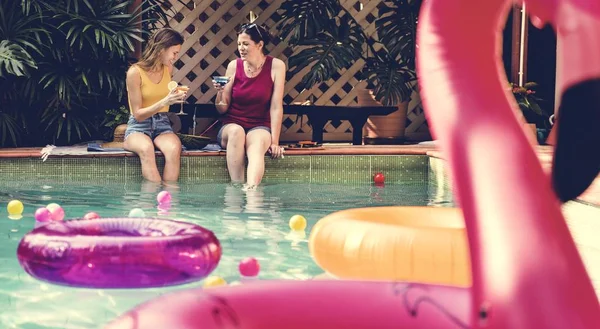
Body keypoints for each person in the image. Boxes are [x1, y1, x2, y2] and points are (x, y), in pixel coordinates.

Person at [213, 23, 286, 189]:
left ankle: (252, 192)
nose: (241, 48)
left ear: (260, 45)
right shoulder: (234, 66)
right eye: (239, 44)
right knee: (237, 132)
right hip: (231, 125)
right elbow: (222, 108)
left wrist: (275, 141)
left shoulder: (276, 66)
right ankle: (236, 188)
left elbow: (276, 106)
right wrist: (220, 92)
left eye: (246, 44)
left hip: (260, 125)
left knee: (258, 142)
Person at [124, 28, 187, 183]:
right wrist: (165, 101)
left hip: (163, 124)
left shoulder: (168, 69)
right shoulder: (135, 72)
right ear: (161, 49)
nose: (175, 57)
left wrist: (175, 97)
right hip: (138, 126)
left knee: (173, 149)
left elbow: (162, 97)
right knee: (146, 149)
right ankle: (151, 200)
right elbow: (138, 114)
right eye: (174, 53)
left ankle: (168, 202)